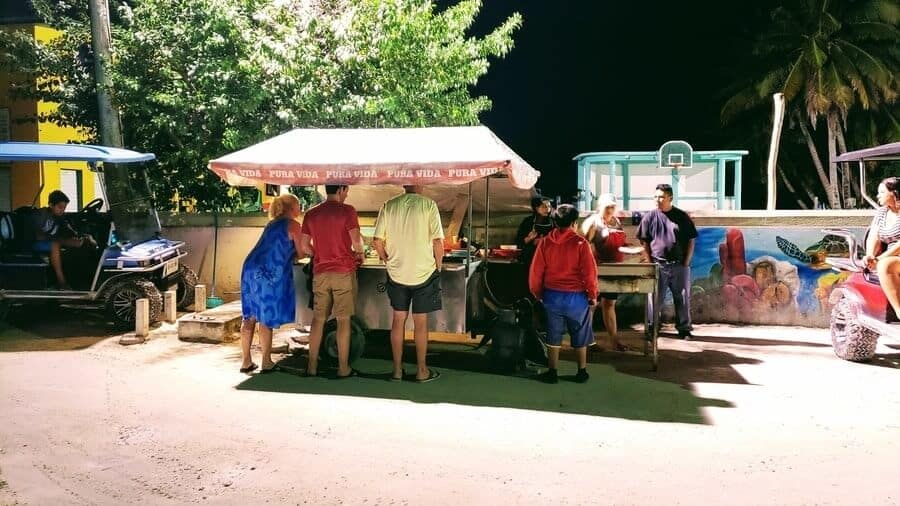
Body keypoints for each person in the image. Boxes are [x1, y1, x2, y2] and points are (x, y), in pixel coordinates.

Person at [372, 185, 444, 383]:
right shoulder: (429, 205)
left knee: (398, 321)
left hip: (397, 274)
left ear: (404, 185)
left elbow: (376, 241)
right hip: (424, 273)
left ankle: (397, 370)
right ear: (420, 184)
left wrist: (387, 259)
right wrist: (438, 266)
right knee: (420, 323)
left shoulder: (389, 205)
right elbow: (438, 242)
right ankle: (422, 371)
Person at [299, 184, 365, 378]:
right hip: (343, 271)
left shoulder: (311, 213)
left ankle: (311, 367)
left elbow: (304, 246)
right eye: (347, 191)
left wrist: (318, 254)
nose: (347, 194)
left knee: (318, 319)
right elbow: (357, 241)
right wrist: (359, 253)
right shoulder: (348, 211)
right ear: (341, 189)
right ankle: (343, 368)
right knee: (343, 320)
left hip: (320, 273)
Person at [529, 204, 598, 384]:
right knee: (580, 332)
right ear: (574, 223)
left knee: (553, 333)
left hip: (552, 296)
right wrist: (592, 295)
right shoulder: (581, 244)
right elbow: (590, 273)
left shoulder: (545, 242)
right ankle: (581, 371)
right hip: (577, 297)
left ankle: (552, 372)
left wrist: (538, 293)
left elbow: (536, 272)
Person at [239, 194, 304, 374]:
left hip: (249, 268)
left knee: (249, 316)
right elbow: (302, 251)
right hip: (268, 272)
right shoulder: (294, 225)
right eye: (299, 205)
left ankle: (246, 361)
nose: (301, 208)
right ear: (292, 208)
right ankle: (266, 361)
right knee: (265, 315)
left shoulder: (272, 224)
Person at [635, 183, 698, 339]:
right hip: (657, 265)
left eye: (661, 197)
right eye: (655, 196)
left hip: (679, 265)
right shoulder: (650, 217)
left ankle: (684, 329)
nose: (658, 199)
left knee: (682, 298)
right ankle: (652, 328)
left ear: (670, 198)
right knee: (654, 299)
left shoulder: (681, 217)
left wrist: (686, 262)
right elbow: (644, 242)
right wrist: (650, 264)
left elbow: (691, 239)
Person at [581, 193, 627, 351]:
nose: (610, 210)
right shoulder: (592, 222)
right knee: (591, 304)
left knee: (609, 304)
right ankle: (587, 341)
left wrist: (630, 247)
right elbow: (584, 245)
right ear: (599, 207)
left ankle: (614, 341)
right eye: (607, 207)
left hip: (614, 270)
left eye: (613, 207)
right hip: (596, 270)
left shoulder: (616, 222)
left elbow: (619, 242)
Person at [30, 190, 97, 290]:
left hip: (54, 240)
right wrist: (58, 240)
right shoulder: (41, 215)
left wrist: (79, 237)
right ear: (51, 205)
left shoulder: (60, 218)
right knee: (55, 245)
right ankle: (61, 281)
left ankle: (83, 278)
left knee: (80, 243)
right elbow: (37, 235)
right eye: (60, 207)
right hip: (36, 243)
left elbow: (68, 231)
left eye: (64, 208)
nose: (62, 210)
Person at [865, 177, 900, 320]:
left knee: (885, 265)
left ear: (894, 193)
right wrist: (870, 256)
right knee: (881, 263)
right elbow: (874, 236)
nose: (878, 195)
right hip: (890, 256)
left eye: (881, 192)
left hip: (893, 256)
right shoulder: (882, 212)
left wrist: (881, 258)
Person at [515, 196, 554, 266]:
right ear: (536, 208)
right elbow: (519, 241)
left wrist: (544, 241)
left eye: (549, 206)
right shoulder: (528, 222)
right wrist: (529, 239)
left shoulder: (554, 222)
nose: (548, 209)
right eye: (544, 206)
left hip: (549, 258)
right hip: (530, 258)